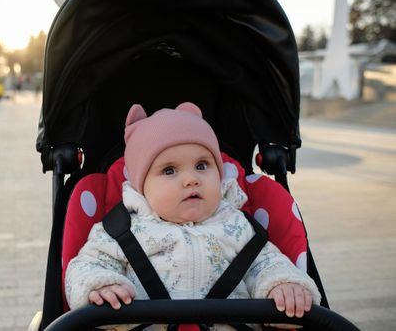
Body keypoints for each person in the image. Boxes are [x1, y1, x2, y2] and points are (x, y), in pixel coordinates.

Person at [65, 102, 321, 330]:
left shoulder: (238, 226)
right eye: (169, 170)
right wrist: (99, 287)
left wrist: (284, 287)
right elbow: (85, 266)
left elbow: (267, 264)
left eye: (202, 165)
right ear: (140, 187)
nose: (191, 179)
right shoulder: (122, 231)